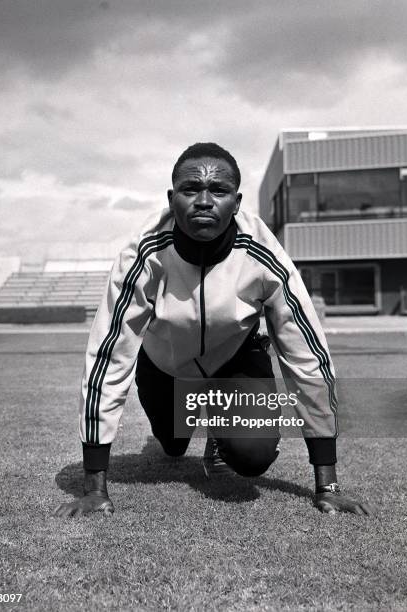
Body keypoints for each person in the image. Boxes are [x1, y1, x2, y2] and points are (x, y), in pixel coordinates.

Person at [54, 142, 372, 518]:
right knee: (171, 446)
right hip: (165, 365)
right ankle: (185, 419)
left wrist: (328, 484)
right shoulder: (143, 254)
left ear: (236, 203)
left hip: (235, 358)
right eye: (191, 190)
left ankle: (221, 435)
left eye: (218, 191)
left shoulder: (264, 255)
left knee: (252, 456)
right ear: (172, 199)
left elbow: (306, 356)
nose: (204, 201)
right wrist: (94, 487)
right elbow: (108, 358)